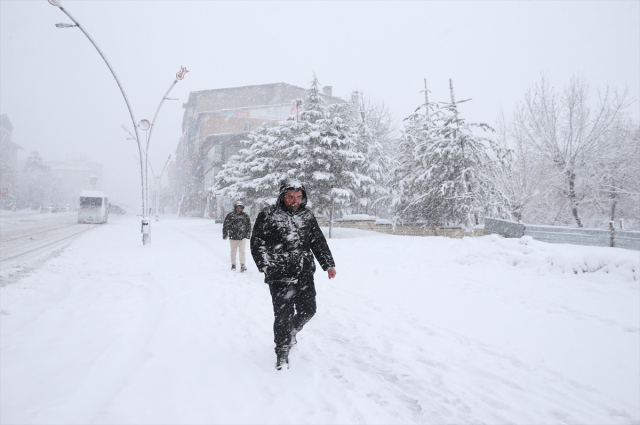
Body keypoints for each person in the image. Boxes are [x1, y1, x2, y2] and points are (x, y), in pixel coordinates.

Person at [250, 179, 336, 370]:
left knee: (309, 309)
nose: (295, 200)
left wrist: (328, 264)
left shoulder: (306, 216)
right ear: (282, 196)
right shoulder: (268, 215)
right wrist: (265, 265)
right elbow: (257, 242)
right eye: (291, 196)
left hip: (304, 272)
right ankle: (282, 352)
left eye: (298, 197)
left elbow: (318, 241)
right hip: (280, 274)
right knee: (283, 315)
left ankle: (292, 331)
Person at [223, 201, 251, 272]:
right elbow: (225, 225)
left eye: (240, 208)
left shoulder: (245, 216)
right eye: (237, 208)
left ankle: (242, 264)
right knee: (233, 252)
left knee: (242, 252)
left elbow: (248, 226)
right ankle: (233, 264)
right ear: (235, 208)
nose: (239, 209)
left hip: (243, 236)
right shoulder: (230, 215)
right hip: (233, 237)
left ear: (242, 208)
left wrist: (248, 234)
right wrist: (225, 234)